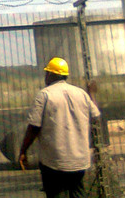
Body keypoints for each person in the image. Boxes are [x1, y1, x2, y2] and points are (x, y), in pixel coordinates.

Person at [18, 57, 100, 198]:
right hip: (80, 160)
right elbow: (96, 115)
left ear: (51, 74)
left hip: (54, 162)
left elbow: (34, 128)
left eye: (47, 73)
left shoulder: (44, 95)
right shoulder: (81, 93)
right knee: (78, 194)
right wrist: (91, 93)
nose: (45, 76)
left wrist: (23, 150)